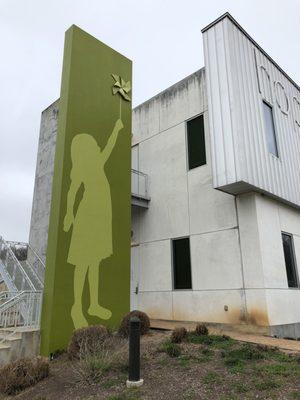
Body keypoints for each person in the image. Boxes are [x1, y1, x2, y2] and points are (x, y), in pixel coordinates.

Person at [63, 118, 124, 329]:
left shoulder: (97, 161)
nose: (97, 146)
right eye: (93, 144)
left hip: (101, 214)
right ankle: (76, 307)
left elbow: (109, 145)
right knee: (83, 261)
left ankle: (94, 304)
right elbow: (72, 192)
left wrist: (116, 129)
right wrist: (69, 214)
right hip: (87, 215)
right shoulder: (81, 169)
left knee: (95, 260)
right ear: (85, 149)